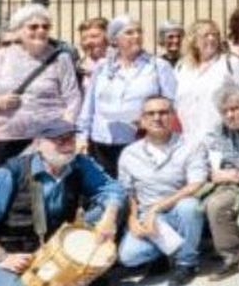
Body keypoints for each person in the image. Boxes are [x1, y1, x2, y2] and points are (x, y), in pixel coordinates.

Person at [0, 121, 123, 286]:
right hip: (16, 250)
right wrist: (1, 257)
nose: (66, 144)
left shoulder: (79, 163)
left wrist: (109, 219)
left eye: (70, 138)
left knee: (115, 206)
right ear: (38, 143)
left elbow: (111, 188)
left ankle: (63, 271)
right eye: (58, 140)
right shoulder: (10, 173)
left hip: (57, 245)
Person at [0, 4, 79, 175]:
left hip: (47, 139)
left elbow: (73, 98)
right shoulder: (0, 57)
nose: (40, 31)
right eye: (33, 27)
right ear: (18, 30)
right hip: (4, 136)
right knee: (2, 188)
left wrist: (63, 130)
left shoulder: (61, 59)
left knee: (42, 191)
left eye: (45, 27)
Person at [115, 95, 205, 286]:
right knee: (128, 257)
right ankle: (162, 255)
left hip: (177, 212)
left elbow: (196, 183)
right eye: (151, 113)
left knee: (190, 207)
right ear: (142, 120)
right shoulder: (129, 153)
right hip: (147, 216)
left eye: (163, 112)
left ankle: (187, 262)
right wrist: (132, 220)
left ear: (173, 116)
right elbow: (128, 191)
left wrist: (158, 207)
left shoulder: (191, 145)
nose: (157, 118)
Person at [75, 16, 176, 176]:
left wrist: (152, 121)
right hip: (101, 141)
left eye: (139, 32)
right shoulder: (102, 67)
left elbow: (171, 104)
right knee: (103, 193)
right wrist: (81, 136)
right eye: (129, 32)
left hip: (139, 140)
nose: (136, 36)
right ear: (115, 39)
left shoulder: (158, 67)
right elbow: (89, 105)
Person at [199, 84, 239, 275]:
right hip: (228, 184)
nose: (230, 115)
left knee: (219, 204)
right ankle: (231, 254)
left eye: (235, 109)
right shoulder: (218, 131)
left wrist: (237, 174)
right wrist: (212, 173)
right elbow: (205, 161)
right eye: (225, 111)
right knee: (209, 203)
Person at [173, 19, 239, 151]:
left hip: (223, 142)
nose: (211, 39)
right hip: (187, 141)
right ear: (194, 40)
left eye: (215, 35)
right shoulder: (182, 67)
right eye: (206, 35)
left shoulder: (230, 63)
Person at [75, 17, 109, 84]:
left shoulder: (120, 64)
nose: (88, 42)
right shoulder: (77, 69)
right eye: (84, 39)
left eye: (94, 36)